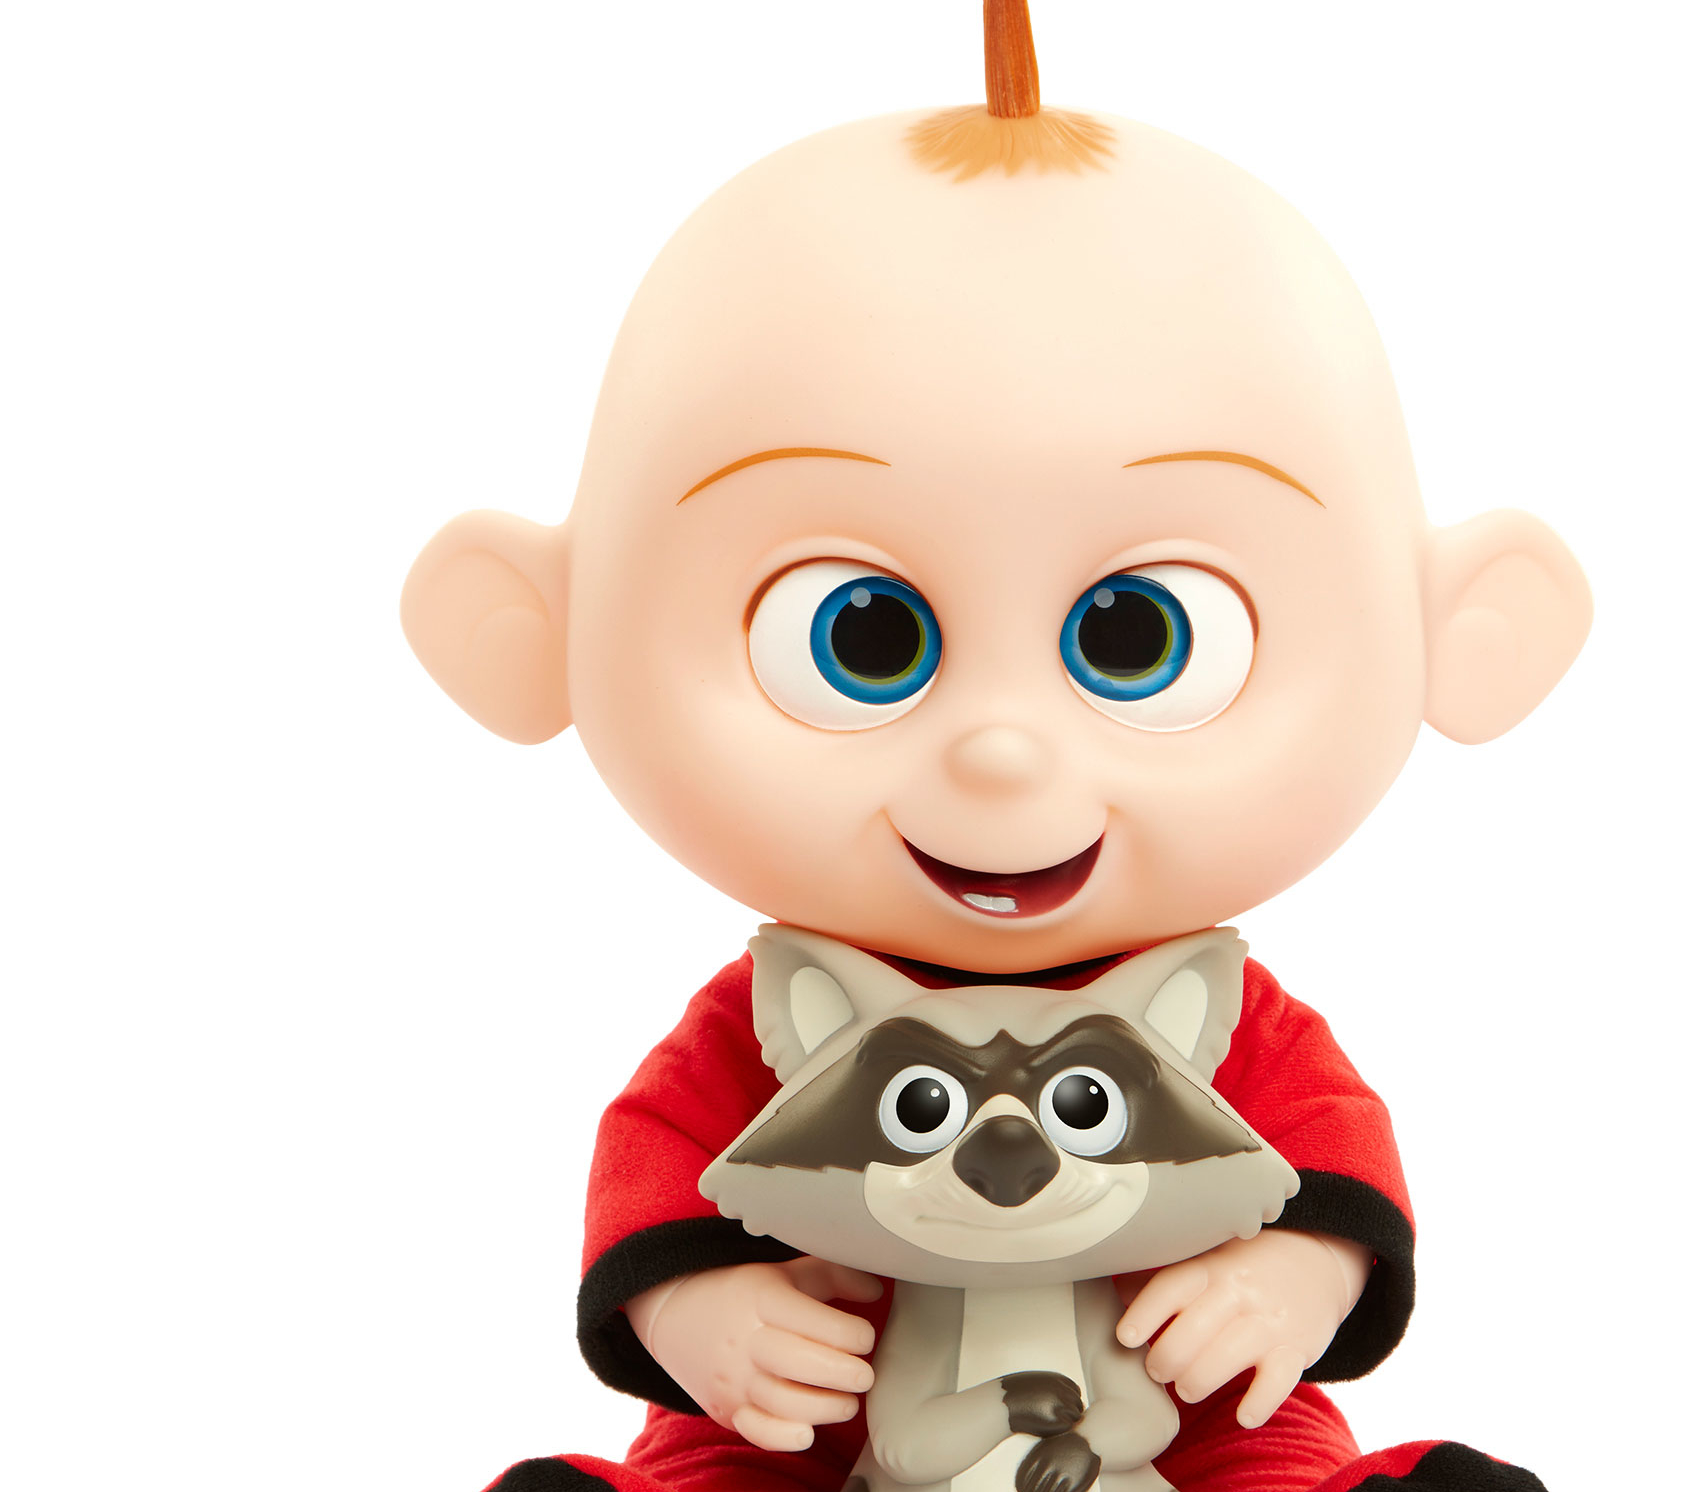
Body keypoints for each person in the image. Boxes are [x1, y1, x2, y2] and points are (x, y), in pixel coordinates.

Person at [402, 7, 1591, 1489]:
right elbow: (656, 1164)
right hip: (817, 1431)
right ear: (540, 631)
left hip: (1186, 1417)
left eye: (1140, 636)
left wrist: (1291, 1278)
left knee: (1275, 1455)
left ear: (1458, 631)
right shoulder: (763, 1021)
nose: (1003, 754)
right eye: (862, 639)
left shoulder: (1230, 1019)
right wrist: (702, 1313)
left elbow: (1334, 1160)